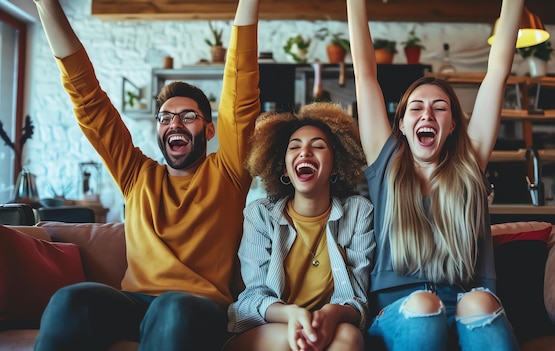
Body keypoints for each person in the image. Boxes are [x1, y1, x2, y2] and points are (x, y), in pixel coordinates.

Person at [32, 0, 260, 349]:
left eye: (188, 116)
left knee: (174, 306)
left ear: (210, 131)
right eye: (166, 118)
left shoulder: (227, 172)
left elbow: (240, 94)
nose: (175, 123)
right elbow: (88, 99)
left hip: (199, 308)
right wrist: (46, 5)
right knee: (71, 299)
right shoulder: (136, 174)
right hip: (136, 305)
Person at [346, 0, 524, 350]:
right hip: (400, 311)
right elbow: (365, 73)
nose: (427, 113)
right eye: (416, 108)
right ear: (401, 124)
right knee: (424, 303)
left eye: (439, 108)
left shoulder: (468, 165)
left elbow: (497, 72)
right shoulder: (386, 165)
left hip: (464, 302)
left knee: (480, 302)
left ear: (453, 124)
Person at [225, 102, 375, 351]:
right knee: (289, 341)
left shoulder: (359, 213)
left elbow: (356, 300)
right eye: (295, 147)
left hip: (330, 328)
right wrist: (292, 316)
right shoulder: (260, 215)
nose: (305, 152)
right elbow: (254, 297)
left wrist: (330, 315)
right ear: (284, 168)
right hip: (269, 328)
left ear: (336, 165)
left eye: (317, 146)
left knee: (348, 337)